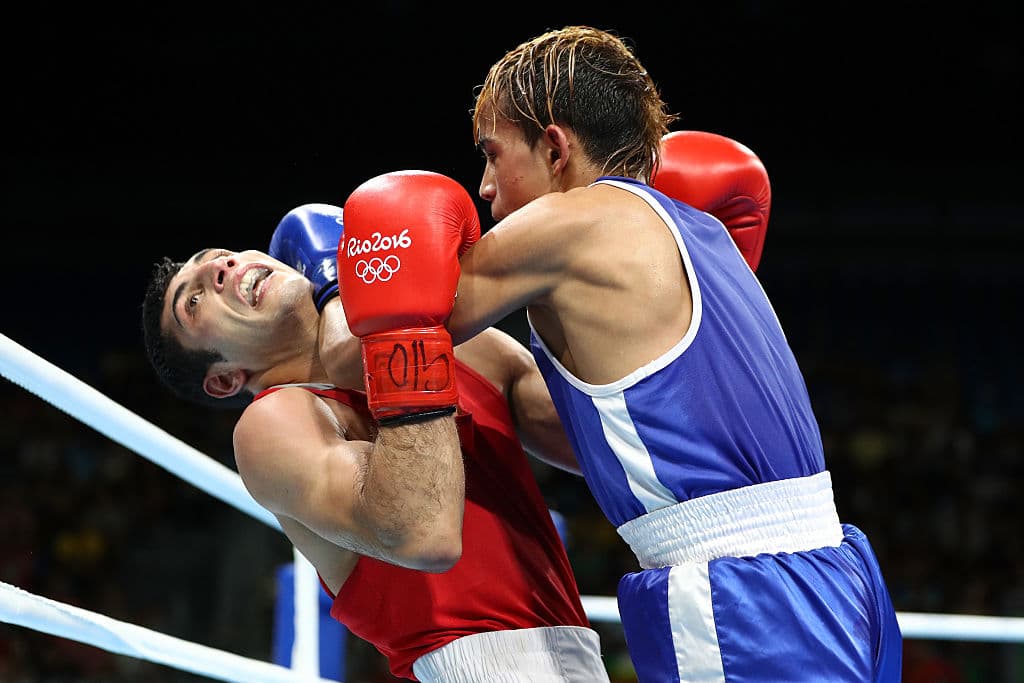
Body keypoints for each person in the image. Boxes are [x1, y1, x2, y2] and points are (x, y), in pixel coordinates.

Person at [334, 25, 903, 683]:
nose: (485, 186)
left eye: (493, 154)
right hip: (839, 576)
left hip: (742, 600)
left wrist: (315, 287)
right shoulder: (702, 229)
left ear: (554, 147)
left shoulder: (571, 224)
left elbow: (395, 323)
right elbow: (597, 427)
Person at [140, 200, 611, 682]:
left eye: (219, 256)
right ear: (223, 380)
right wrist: (349, 299)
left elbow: (609, 446)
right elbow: (423, 531)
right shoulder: (274, 423)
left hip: (575, 652)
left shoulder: (458, 344)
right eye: (193, 303)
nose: (220, 269)